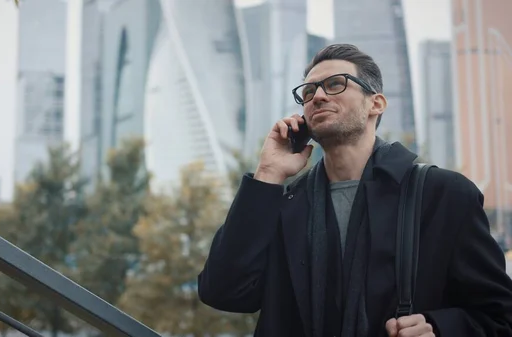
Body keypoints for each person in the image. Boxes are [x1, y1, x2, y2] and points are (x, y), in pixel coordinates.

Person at [197, 44, 512, 337]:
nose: (317, 96)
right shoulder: (286, 204)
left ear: (376, 103)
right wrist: (267, 173)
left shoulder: (444, 196)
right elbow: (224, 291)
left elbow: (499, 315)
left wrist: (439, 328)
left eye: (335, 84)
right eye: (308, 91)